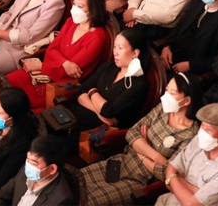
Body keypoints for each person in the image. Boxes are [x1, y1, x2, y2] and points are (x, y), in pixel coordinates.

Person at [82, 73, 204, 206]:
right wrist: (157, 157)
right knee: (74, 182)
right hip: (122, 161)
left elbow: (167, 172)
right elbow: (132, 132)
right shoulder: (162, 109)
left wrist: (141, 151)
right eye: (166, 90)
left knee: (88, 202)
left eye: (172, 93)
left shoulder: (191, 135)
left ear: (186, 101)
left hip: (139, 180)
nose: (166, 96)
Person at [7, 0, 108, 111]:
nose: (74, 9)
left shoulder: (96, 39)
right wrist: (65, 62)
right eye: (74, 4)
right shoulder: (71, 22)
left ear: (93, 11)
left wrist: (41, 66)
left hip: (60, 84)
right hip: (45, 71)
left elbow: (67, 73)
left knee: (16, 102)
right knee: (8, 82)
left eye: (80, 6)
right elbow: (51, 49)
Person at [66, 29, 152, 153]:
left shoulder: (138, 84)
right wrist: (98, 112)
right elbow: (80, 92)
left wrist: (92, 92)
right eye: (115, 47)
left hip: (93, 132)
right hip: (74, 114)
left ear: (135, 53)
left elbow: (108, 110)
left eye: (120, 48)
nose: (115, 52)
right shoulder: (108, 67)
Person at [156, 103, 218, 206]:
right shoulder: (199, 141)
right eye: (202, 126)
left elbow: (191, 204)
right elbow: (171, 169)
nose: (202, 133)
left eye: (209, 129)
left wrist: (173, 179)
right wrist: (193, 190)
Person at [0, 136, 75, 206]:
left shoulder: (61, 200)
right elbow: (1, 194)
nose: (28, 165)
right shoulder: (25, 170)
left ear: (52, 169)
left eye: (34, 163)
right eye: (27, 159)